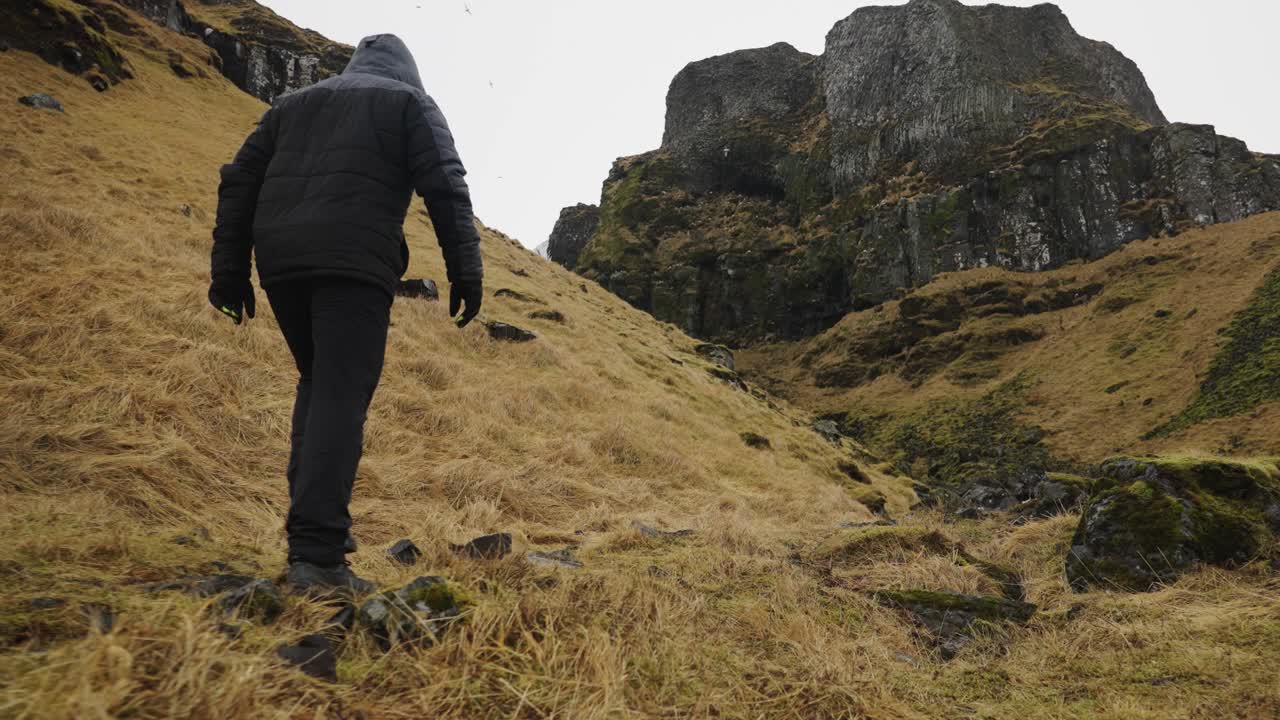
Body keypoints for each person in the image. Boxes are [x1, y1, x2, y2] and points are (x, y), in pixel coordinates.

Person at [208, 34, 483, 597]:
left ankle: (314, 523)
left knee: (319, 385)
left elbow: (238, 182)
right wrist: (466, 272)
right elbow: (445, 188)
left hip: (281, 265)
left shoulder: (292, 105)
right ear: (410, 72)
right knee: (340, 395)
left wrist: (230, 272)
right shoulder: (409, 104)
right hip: (352, 265)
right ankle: (317, 555)